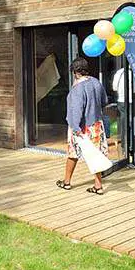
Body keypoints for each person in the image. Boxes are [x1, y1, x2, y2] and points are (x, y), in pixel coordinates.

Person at [56, 58, 110, 195]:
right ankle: (98, 186)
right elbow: (105, 101)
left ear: (74, 72)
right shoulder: (96, 82)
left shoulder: (77, 89)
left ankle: (66, 182)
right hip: (97, 124)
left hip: (81, 127)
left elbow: (76, 111)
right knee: (96, 155)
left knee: (73, 153)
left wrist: (75, 127)